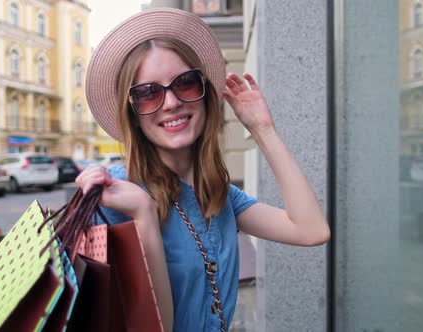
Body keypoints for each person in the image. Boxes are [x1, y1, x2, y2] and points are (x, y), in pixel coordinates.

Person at [77, 8, 330, 332]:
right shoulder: (114, 202)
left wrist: (263, 130)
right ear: (133, 114)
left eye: (184, 83)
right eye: (148, 93)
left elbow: (311, 230)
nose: (170, 103)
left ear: (205, 95)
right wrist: (145, 215)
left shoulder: (219, 196)